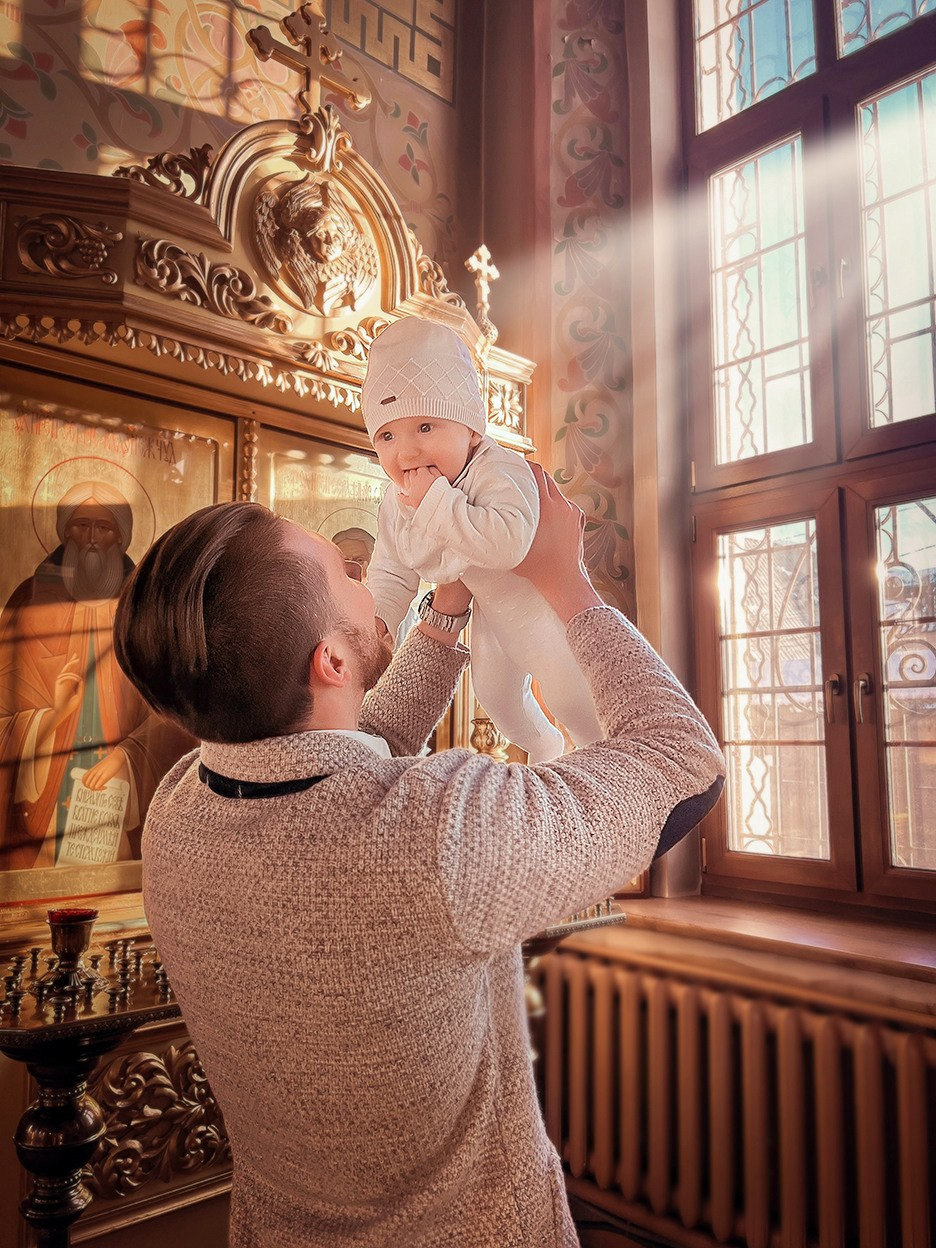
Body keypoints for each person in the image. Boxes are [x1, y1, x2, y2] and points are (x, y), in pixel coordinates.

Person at [113, 467, 724, 1248]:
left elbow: (345, 757)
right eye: (344, 572)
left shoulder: (180, 808)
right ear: (331, 663)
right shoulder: (440, 835)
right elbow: (682, 762)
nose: (363, 571)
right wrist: (566, 582)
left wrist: (445, 611)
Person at [362, 316, 602, 763]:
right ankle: (546, 750)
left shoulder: (500, 468)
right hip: (491, 615)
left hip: (545, 608)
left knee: (574, 700)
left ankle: (600, 767)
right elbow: (392, 571)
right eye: (387, 435)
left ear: (472, 429)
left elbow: (508, 544)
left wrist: (436, 502)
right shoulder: (397, 500)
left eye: (425, 427)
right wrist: (377, 623)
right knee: (498, 700)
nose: (406, 451)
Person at [0, 481, 191, 871]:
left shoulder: (146, 608)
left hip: (117, 790)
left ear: (120, 536)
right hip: (44, 797)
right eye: (80, 525)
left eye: (102, 527)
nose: (90, 538)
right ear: (64, 531)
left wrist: (126, 756)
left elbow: (175, 710)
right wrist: (51, 716)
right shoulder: (29, 602)